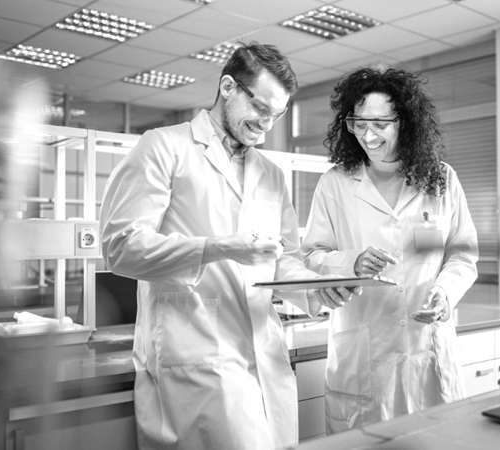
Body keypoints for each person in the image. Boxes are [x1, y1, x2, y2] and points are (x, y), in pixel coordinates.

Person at [99, 42, 358, 450]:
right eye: (260, 108)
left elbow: (283, 259)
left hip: (264, 352)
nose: (266, 124)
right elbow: (121, 247)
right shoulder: (165, 147)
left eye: (276, 115)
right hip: (194, 352)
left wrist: (317, 286)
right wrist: (221, 248)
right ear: (227, 87)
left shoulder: (271, 174)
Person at [301, 66, 479, 434]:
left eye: (381, 124)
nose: (368, 135)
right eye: (358, 123)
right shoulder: (335, 185)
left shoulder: (441, 180)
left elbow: (462, 254)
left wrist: (445, 293)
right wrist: (351, 261)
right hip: (364, 363)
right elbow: (311, 256)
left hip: (426, 351)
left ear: (405, 122)